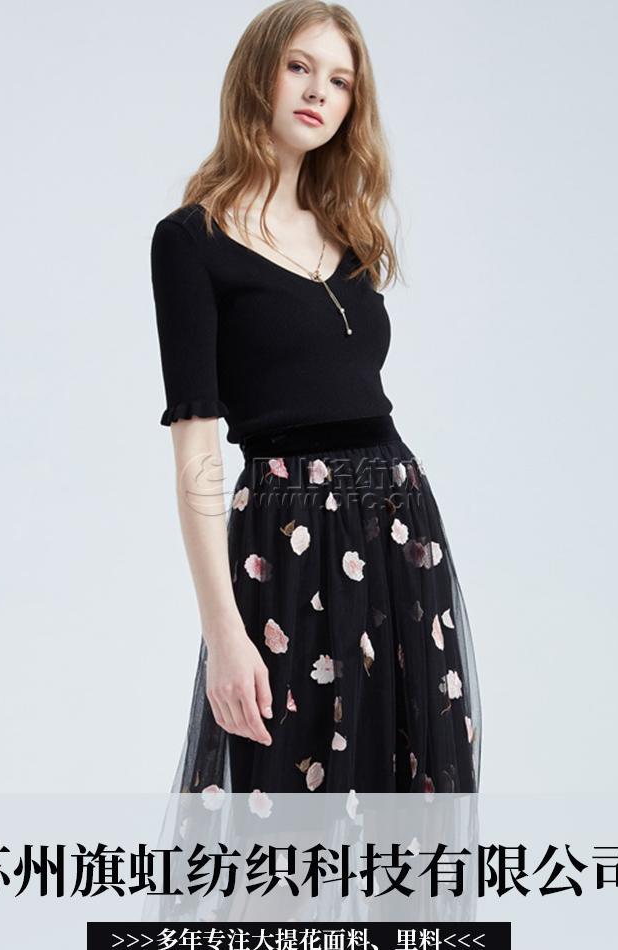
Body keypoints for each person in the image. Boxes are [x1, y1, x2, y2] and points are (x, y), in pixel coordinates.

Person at [150, 0, 481, 795]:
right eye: (299, 67)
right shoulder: (191, 240)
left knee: (406, 787)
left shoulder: (348, 235)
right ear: (257, 74)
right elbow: (196, 448)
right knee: (290, 795)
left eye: (340, 80)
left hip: (397, 522)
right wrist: (222, 633)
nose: (317, 92)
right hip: (287, 529)